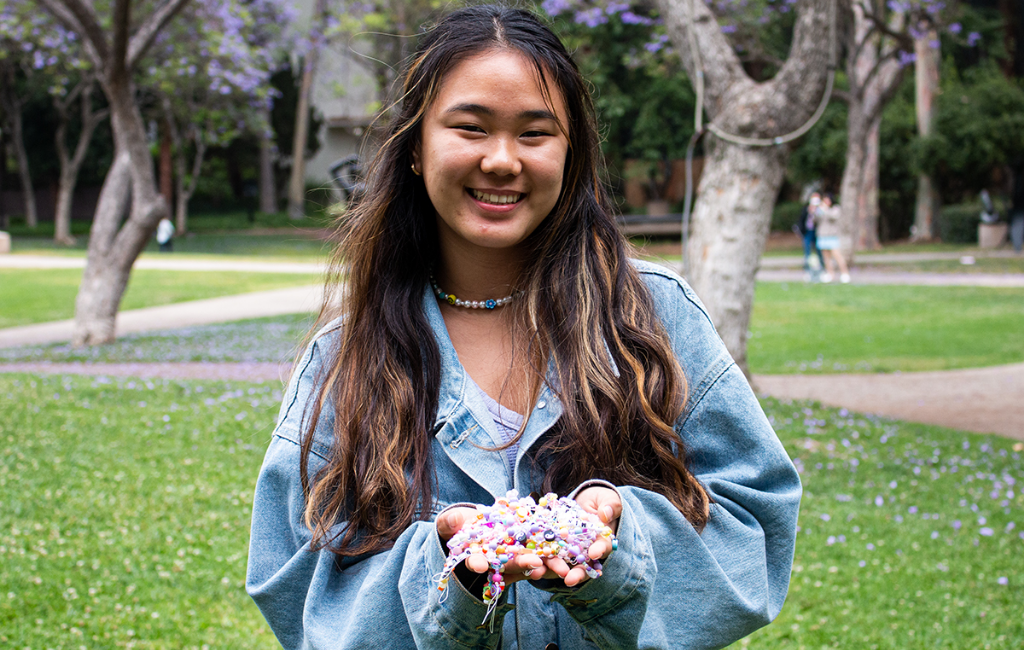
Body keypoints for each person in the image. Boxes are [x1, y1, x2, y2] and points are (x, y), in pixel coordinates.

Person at [245, 6, 801, 649]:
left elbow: (754, 524)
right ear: (417, 150)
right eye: (470, 128)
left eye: (535, 134)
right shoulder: (346, 356)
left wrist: (616, 549)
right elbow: (293, 584)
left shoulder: (655, 318)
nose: (502, 160)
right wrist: (447, 571)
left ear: (571, 154)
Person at [814, 194, 850, 283]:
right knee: (826, 257)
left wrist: (824, 209)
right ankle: (830, 274)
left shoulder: (835, 209)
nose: (825, 202)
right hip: (822, 236)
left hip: (832, 236)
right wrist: (816, 210)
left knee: (837, 255)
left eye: (827, 200)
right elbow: (815, 220)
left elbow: (833, 217)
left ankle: (845, 273)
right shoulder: (820, 210)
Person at [797, 192, 826, 278]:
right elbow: (801, 220)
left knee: (819, 250)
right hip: (808, 232)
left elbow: (821, 220)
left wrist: (817, 211)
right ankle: (807, 269)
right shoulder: (806, 209)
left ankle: (822, 267)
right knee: (807, 250)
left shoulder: (820, 209)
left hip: (817, 232)